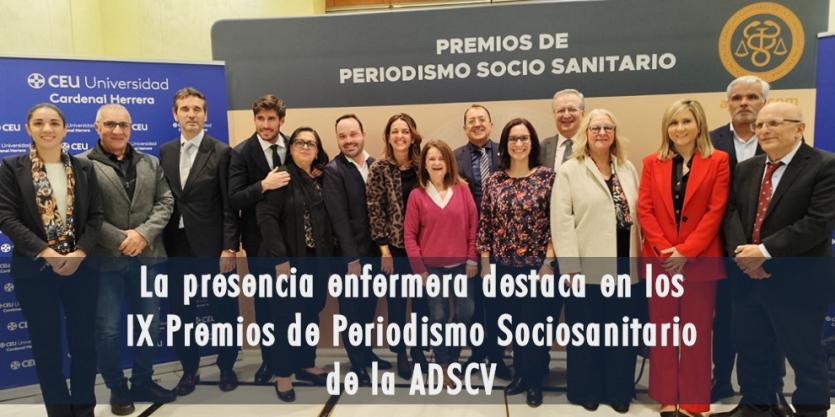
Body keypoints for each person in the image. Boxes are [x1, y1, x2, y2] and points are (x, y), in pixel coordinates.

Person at [717, 102, 835, 417]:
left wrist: (764, 253)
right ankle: (756, 406)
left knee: (804, 356)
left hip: (798, 281)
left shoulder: (825, 165)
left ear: (799, 128)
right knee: (752, 349)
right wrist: (744, 255)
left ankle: (811, 412)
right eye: (760, 125)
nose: (764, 130)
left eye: (774, 123)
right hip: (748, 279)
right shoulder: (747, 168)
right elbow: (733, 214)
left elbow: (818, 222)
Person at [0, 103, 103, 417]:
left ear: (65, 129)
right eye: (40, 123)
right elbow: (6, 217)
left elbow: (96, 217)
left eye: (55, 123)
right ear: (28, 128)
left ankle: (83, 409)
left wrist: (79, 253)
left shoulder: (84, 168)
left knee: (84, 346)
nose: (47, 129)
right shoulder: (11, 168)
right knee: (47, 351)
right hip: (35, 272)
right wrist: (48, 253)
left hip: (81, 269)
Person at [80, 104, 176, 415]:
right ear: (97, 127)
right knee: (107, 331)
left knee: (150, 324)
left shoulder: (150, 162)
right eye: (110, 124)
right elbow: (83, 213)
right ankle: (117, 388)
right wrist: (122, 239)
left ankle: (143, 381)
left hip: (148, 257)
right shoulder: (81, 164)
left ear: (131, 127)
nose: (118, 130)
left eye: (123, 125)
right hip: (105, 261)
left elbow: (165, 201)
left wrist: (143, 235)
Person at [638, 99, 729, 417]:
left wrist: (686, 252)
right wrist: (667, 251)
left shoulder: (718, 161)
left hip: (700, 262)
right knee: (663, 332)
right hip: (661, 261)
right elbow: (645, 210)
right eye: (673, 123)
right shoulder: (652, 162)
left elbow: (715, 211)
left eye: (686, 121)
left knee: (696, 334)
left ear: (699, 124)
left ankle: (693, 400)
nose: (680, 128)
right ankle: (666, 397)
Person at [552, 109, 640, 414]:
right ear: (585, 134)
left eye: (607, 127)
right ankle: (586, 390)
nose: (602, 132)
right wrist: (570, 267)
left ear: (615, 133)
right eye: (595, 128)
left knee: (621, 333)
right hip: (586, 267)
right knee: (587, 333)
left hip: (624, 267)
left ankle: (618, 390)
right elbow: (561, 222)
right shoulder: (570, 170)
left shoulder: (627, 168)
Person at [159, 87, 240, 394]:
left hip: (214, 248)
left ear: (205, 115)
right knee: (181, 314)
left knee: (224, 312)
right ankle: (189, 370)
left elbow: (230, 206)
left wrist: (229, 247)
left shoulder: (221, 151)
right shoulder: (165, 151)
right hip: (176, 247)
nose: (191, 114)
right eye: (185, 109)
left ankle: (227, 367)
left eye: (196, 109)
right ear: (175, 114)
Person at [476, 118, 555, 408]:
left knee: (534, 326)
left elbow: (556, 223)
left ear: (532, 143)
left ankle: (534, 381)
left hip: (537, 266)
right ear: (505, 145)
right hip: (502, 266)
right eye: (513, 139)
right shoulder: (494, 180)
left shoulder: (547, 177)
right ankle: (521, 374)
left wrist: (548, 263)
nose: (518, 144)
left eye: (524, 138)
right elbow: (485, 224)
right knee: (512, 324)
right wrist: (486, 265)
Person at [257, 127, 332, 402]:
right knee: (285, 320)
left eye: (311, 143)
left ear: (317, 149)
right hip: (286, 262)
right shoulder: (281, 176)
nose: (305, 146)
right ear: (290, 148)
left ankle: (305, 363)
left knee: (311, 313)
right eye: (299, 142)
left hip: (315, 260)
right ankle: (283, 374)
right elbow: (266, 217)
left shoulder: (319, 178)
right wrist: (280, 260)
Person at [708, 76, 771, 404]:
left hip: (768, 249)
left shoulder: (777, 137)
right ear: (728, 103)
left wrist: (760, 250)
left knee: (766, 321)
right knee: (724, 319)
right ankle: (721, 380)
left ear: (764, 102)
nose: (744, 103)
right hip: (722, 246)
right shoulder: (710, 140)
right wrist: (736, 248)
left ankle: (764, 388)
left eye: (752, 97)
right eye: (737, 98)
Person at [323, 114, 393, 384]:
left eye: (353, 134)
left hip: (375, 254)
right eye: (342, 136)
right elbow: (339, 220)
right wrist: (352, 260)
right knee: (351, 312)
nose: (348, 140)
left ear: (362, 134)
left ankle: (366, 353)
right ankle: (357, 363)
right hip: (350, 259)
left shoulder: (377, 165)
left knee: (368, 309)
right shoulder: (333, 171)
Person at [404, 139, 478, 387]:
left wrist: (472, 258)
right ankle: (444, 365)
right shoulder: (417, 195)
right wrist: (420, 270)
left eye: (441, 158)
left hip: (462, 267)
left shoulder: (462, 190)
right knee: (438, 317)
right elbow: (409, 236)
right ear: (424, 164)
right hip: (431, 269)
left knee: (465, 313)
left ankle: (453, 357)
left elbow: (474, 227)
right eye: (431, 158)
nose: (436, 163)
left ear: (449, 162)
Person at [228, 94, 290, 384]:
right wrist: (263, 185)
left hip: (292, 241)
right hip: (259, 244)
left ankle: (295, 359)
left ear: (281, 120)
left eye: (271, 119)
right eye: (260, 119)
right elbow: (235, 198)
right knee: (266, 305)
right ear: (254, 120)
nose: (266, 125)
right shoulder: (241, 153)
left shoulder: (295, 145)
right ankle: (269, 360)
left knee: (294, 303)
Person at [366, 113, 430, 375]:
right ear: (388, 137)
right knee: (396, 303)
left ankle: (419, 350)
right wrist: (384, 251)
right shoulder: (379, 168)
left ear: (413, 136)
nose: (400, 136)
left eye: (405, 131)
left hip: (424, 249)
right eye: (395, 131)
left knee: (423, 304)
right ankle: (401, 352)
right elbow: (374, 210)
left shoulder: (424, 166)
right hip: (393, 250)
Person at [452, 104, 512, 380]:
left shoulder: (507, 152)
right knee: (473, 303)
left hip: (504, 242)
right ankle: (477, 353)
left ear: (490, 124)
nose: (477, 124)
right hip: (469, 242)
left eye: (481, 119)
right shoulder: (455, 158)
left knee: (500, 302)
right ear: (464, 127)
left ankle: (498, 356)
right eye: (471, 120)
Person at [540, 89, 585, 172]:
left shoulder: (592, 145)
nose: (566, 115)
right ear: (554, 115)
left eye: (572, 109)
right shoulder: (542, 148)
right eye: (561, 110)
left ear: (582, 113)